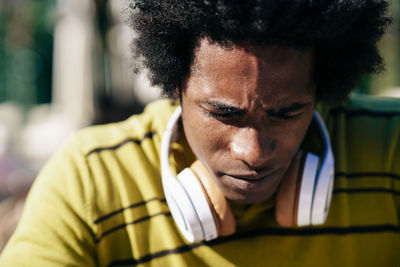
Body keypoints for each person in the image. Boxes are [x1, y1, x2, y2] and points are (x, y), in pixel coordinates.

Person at [1, 0, 399, 266]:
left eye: (287, 113)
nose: (253, 152)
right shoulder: (91, 178)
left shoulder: (391, 147)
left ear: (323, 89)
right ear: (176, 86)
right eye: (223, 114)